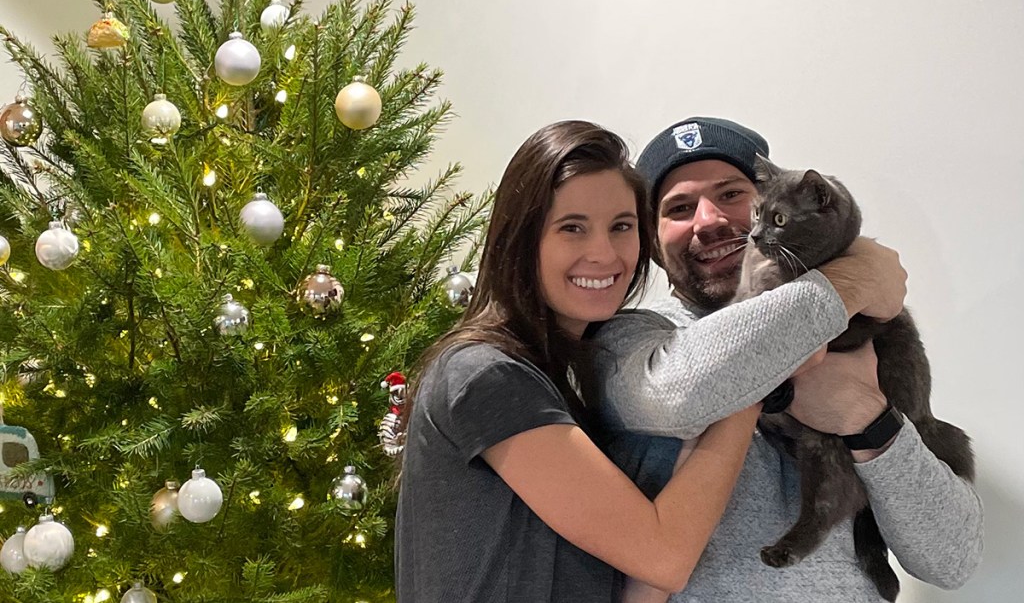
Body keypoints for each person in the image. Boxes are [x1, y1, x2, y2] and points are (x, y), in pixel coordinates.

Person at [394, 120, 907, 602]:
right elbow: (664, 556)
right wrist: (767, 369)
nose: (604, 253)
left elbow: (637, 588)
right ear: (521, 239)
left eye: (620, 226)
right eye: (572, 228)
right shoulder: (485, 375)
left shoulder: (566, 380)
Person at [591, 117, 984, 602]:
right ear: (651, 238)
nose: (709, 220)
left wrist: (869, 421)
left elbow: (950, 559)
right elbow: (677, 394)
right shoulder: (630, 338)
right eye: (679, 207)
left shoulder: (869, 333)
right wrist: (859, 275)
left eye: (732, 194)